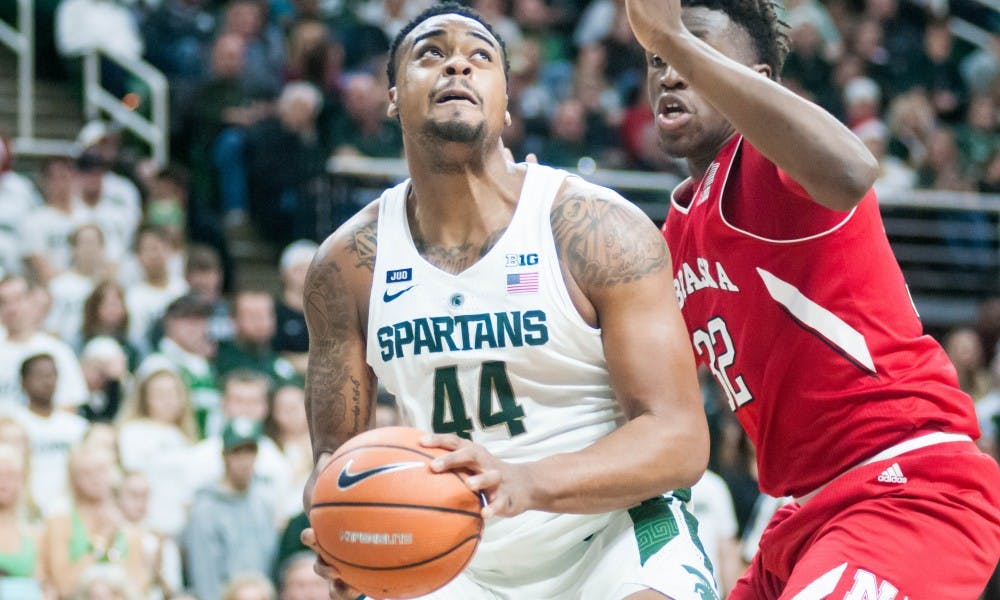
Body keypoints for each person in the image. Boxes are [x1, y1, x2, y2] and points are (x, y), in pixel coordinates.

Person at [301, 3, 714, 599]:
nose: (457, 66)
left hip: (610, 537)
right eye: (431, 53)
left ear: (507, 101)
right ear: (393, 97)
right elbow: (334, 455)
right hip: (447, 552)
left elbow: (678, 439)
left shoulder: (594, 229)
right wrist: (342, 527)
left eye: (480, 56)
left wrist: (523, 482)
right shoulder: (346, 265)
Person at [625, 0, 1000, 596]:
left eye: (692, 53)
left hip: (907, 486)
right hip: (802, 516)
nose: (669, 70)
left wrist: (674, 36)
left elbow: (853, 170)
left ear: (760, 84)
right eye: (656, 58)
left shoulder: (775, 164)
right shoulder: (673, 237)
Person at [181, 417, 278, 600]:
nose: (244, 460)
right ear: (225, 455)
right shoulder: (205, 508)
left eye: (250, 451)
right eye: (237, 452)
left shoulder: (263, 500)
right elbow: (204, 574)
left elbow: (270, 563)